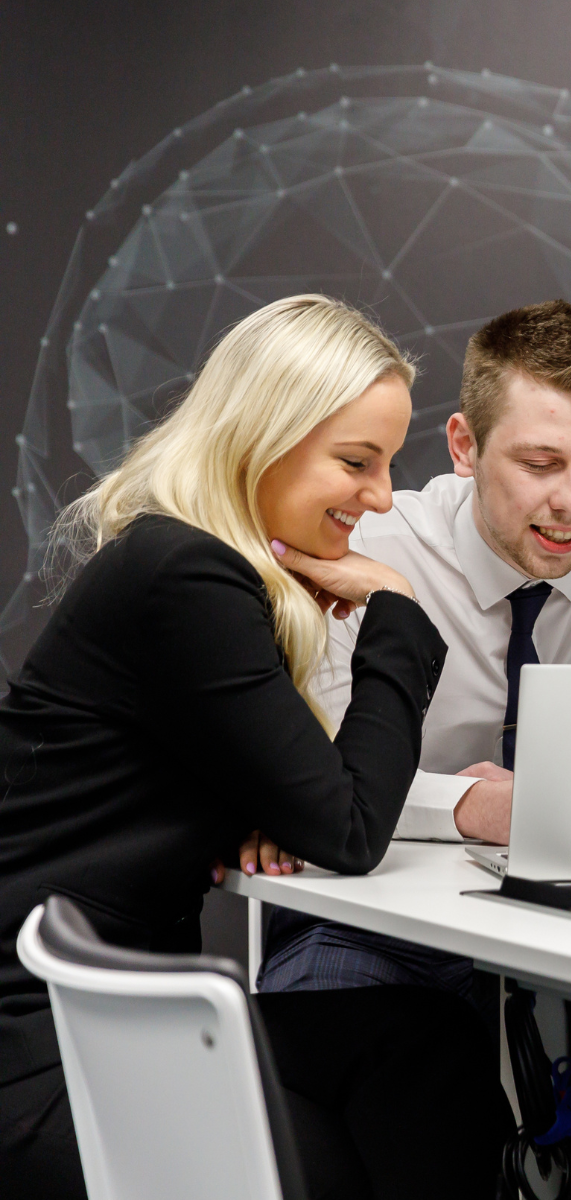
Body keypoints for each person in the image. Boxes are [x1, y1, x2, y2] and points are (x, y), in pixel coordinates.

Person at [0, 295, 505, 1197]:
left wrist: (263, 802)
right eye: (357, 462)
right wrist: (398, 610)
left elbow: (314, 808)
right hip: (53, 1056)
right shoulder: (186, 574)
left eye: (388, 465)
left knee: (424, 1044)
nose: (383, 497)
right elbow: (349, 830)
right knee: (413, 1078)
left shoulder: (182, 567)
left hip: (109, 1024)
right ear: (259, 437)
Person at [258, 299, 571, 1008]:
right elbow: (317, 788)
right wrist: (476, 805)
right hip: (375, 916)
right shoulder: (366, 548)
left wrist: (551, 809)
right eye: (540, 463)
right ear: (464, 446)